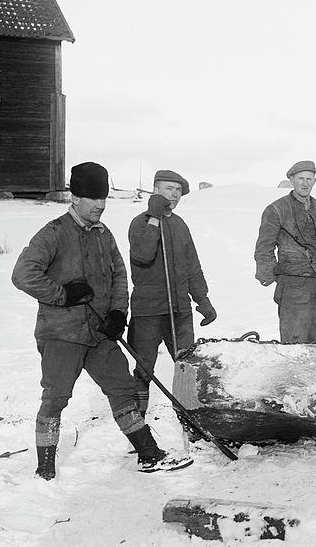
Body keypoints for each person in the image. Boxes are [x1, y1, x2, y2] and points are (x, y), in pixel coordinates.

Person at [11, 162, 192, 480]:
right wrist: (61, 294)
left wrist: (118, 314)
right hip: (61, 334)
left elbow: (120, 275)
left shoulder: (103, 234)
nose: (99, 205)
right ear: (75, 197)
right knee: (56, 397)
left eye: (103, 199)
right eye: (92, 198)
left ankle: (148, 454)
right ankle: (45, 469)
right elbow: (23, 274)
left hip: (99, 333)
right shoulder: (54, 233)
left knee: (122, 388)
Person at [127, 169, 216, 418]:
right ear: (155, 190)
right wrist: (155, 217)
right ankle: (138, 423)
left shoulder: (179, 225)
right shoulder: (140, 222)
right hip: (149, 311)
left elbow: (192, 266)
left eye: (178, 191)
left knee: (187, 367)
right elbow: (143, 254)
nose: (174, 194)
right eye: (168, 188)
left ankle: (190, 420)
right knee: (144, 369)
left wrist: (203, 300)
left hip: (179, 310)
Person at [254, 160, 316, 343]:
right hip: (293, 283)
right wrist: (272, 275)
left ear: (315, 181)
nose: (305, 183)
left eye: (309, 179)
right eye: (300, 178)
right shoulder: (276, 209)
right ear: (291, 180)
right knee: (294, 342)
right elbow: (264, 247)